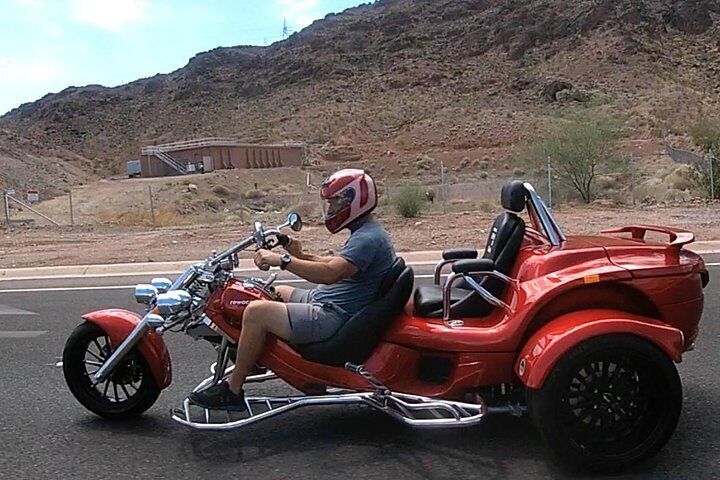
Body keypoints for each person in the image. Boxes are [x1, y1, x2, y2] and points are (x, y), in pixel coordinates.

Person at [190, 169, 396, 410]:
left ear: (355, 199)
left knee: (256, 312)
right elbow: (335, 266)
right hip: (331, 302)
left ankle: (232, 390)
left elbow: (330, 275)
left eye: (336, 202)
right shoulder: (367, 232)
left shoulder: (367, 239)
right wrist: (295, 249)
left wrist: (283, 261)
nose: (331, 209)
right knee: (274, 292)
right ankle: (253, 355)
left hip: (334, 315)